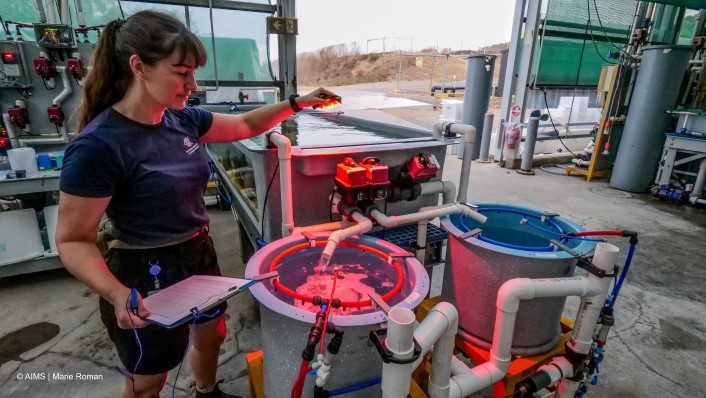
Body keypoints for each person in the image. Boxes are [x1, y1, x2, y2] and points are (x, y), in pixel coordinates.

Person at [56, 10, 339, 398]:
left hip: (197, 251)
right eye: (181, 72)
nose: (192, 83)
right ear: (139, 66)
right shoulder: (99, 145)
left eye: (193, 72)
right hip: (143, 269)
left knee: (212, 334)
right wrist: (116, 293)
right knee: (149, 377)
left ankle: (207, 391)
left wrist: (296, 102)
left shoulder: (182, 120)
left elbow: (244, 126)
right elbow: (72, 240)